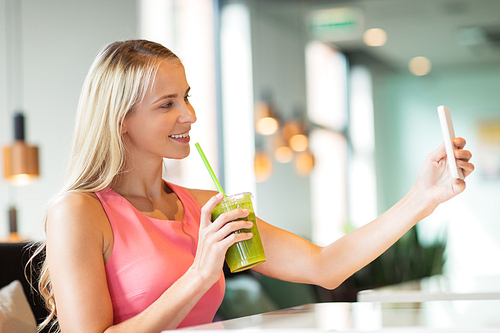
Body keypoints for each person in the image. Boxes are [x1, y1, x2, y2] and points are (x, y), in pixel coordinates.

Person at [35, 39, 474, 333]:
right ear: (120, 120)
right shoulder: (78, 211)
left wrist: (423, 197)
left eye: (186, 96)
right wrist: (200, 274)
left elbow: (325, 265)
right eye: (166, 104)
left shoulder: (208, 206)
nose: (188, 115)